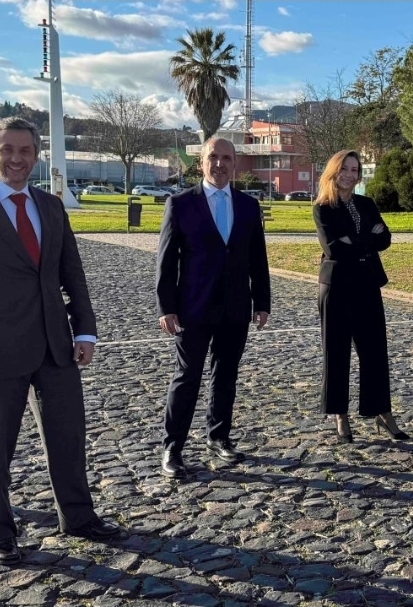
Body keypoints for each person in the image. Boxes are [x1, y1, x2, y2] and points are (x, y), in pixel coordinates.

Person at [0, 117, 121, 566]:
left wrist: (85, 329)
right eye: (7, 150)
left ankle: (78, 517)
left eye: (25, 151)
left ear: (36, 156)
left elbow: (72, 272)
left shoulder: (50, 206)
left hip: (57, 347)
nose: (16, 159)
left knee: (68, 438)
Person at [156, 137, 271, 478]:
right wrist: (166, 307)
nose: (219, 164)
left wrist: (262, 301)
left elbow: (257, 258)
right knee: (186, 376)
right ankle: (173, 447)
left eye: (226, 158)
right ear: (201, 162)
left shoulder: (248, 206)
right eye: (213, 157)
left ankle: (218, 437)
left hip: (235, 307)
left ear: (235, 163)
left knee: (226, 375)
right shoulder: (180, 204)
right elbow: (166, 261)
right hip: (192, 308)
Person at [312, 150, 408, 444]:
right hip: (336, 287)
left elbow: (385, 238)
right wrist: (367, 239)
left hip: (367, 284)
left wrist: (353, 240)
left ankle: (381, 411)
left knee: (375, 352)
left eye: (355, 170)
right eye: (345, 169)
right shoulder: (323, 208)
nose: (349, 175)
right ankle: (339, 414)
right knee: (336, 353)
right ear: (334, 171)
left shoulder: (366, 204)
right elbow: (333, 248)